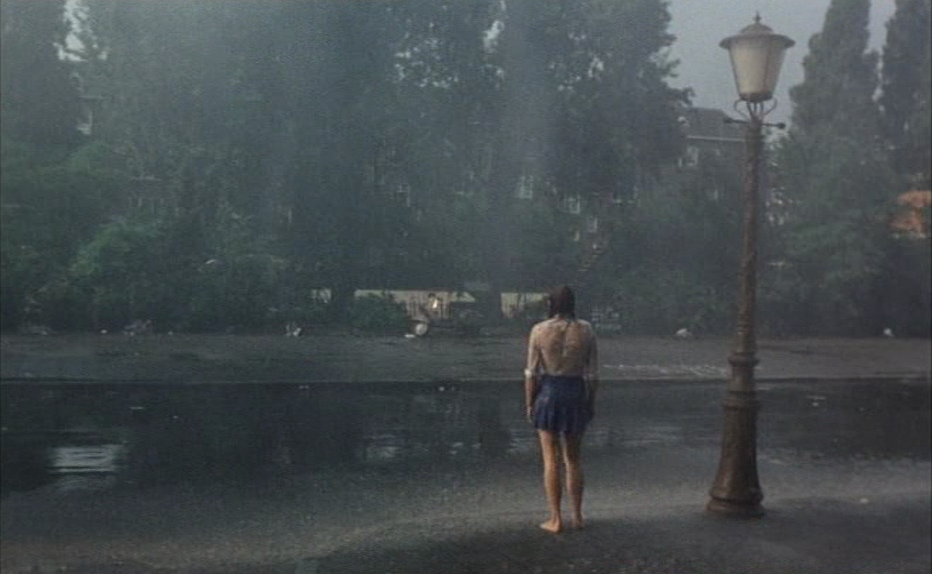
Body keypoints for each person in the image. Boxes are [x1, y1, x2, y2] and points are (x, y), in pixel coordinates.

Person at [524, 285, 599, 533]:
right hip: (575, 391)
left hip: (549, 393)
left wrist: (529, 402)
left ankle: (556, 519)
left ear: (551, 304)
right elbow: (592, 374)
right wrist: (590, 402)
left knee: (550, 460)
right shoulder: (586, 330)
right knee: (573, 459)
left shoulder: (539, 330)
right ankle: (577, 516)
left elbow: (531, 373)